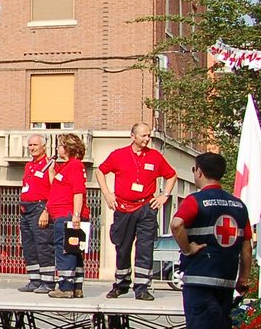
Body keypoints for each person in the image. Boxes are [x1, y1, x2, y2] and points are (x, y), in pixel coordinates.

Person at [172, 152, 251, 329]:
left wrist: (188, 249)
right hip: (226, 279)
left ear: (198, 171)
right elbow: (246, 246)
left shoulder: (196, 200)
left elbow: (176, 225)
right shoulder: (239, 205)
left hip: (200, 277)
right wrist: (244, 279)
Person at [98, 124, 177, 301]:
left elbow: (171, 175)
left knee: (145, 248)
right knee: (123, 247)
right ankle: (121, 284)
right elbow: (100, 171)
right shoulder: (119, 155)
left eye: (148, 135)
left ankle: (142, 287)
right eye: (143, 136)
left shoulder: (155, 156)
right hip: (124, 208)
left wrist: (165, 195)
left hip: (146, 208)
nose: (147, 139)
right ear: (132, 136)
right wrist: (107, 194)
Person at [45, 132, 89, 298]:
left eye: (60, 145)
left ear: (67, 148)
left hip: (68, 215)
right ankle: (76, 286)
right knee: (74, 250)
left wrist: (76, 215)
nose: (57, 148)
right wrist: (51, 171)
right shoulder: (66, 167)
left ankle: (65, 286)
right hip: (65, 214)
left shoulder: (75, 165)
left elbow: (78, 191)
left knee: (66, 250)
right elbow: (57, 187)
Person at [17, 133, 56, 293]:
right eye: (30, 145)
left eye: (35, 145)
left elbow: (54, 189)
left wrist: (47, 210)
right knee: (29, 246)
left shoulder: (49, 164)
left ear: (44, 147)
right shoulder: (29, 166)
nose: (32, 148)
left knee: (43, 245)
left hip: (40, 208)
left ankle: (48, 282)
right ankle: (34, 280)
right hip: (26, 209)